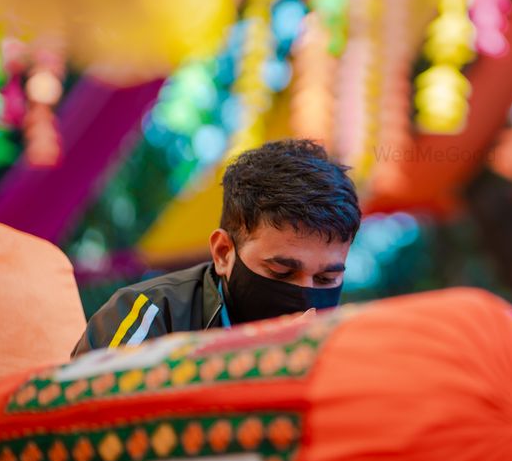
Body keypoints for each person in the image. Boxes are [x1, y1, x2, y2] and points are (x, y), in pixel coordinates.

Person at [72, 139, 360, 357]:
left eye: (326, 279)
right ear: (224, 252)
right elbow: (89, 419)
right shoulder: (152, 316)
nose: (305, 303)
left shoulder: (349, 342)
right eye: (281, 272)